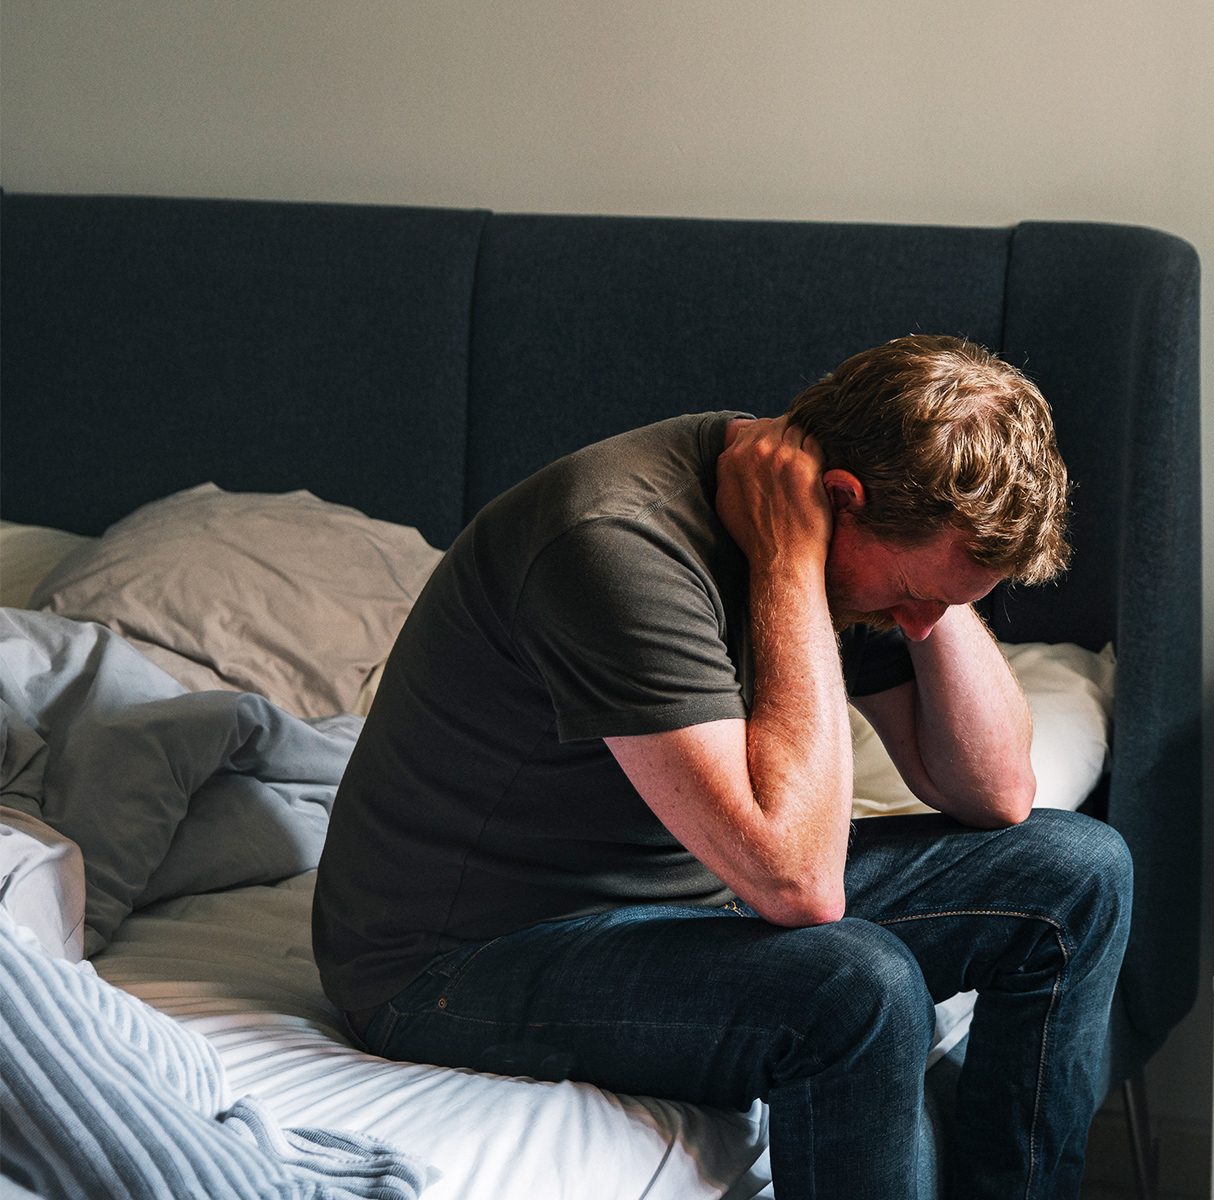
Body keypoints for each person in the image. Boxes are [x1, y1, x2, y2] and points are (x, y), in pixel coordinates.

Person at [312, 334, 1133, 1198]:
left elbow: (998, 792)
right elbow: (799, 886)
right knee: (857, 987)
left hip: (689, 886)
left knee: (1079, 872)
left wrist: (937, 590)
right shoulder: (616, 541)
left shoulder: (854, 534)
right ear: (841, 500)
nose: (916, 623)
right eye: (910, 595)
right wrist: (788, 563)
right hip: (460, 959)